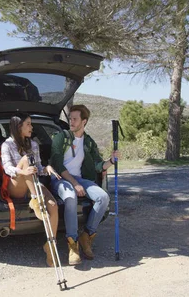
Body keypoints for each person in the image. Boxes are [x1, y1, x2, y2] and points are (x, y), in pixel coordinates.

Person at [49, 105, 119, 265]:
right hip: (60, 178)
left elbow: (97, 165)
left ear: (84, 121)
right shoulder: (61, 137)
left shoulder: (88, 142)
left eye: (75, 119)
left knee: (103, 197)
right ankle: (72, 245)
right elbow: (57, 164)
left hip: (79, 179)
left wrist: (111, 161)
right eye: (70, 119)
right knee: (70, 196)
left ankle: (87, 235)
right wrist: (73, 183)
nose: (71, 122)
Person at [1, 113, 62, 267]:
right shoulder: (6, 145)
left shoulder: (34, 144)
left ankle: (50, 246)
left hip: (33, 183)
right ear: (18, 126)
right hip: (17, 185)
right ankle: (36, 199)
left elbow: (38, 169)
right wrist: (23, 172)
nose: (32, 127)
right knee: (26, 160)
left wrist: (46, 168)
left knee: (53, 205)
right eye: (28, 124)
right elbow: (7, 168)